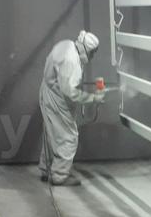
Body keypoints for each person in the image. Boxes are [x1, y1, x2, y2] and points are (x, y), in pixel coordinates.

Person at [39, 31, 104, 186]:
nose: (92, 56)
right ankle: (59, 175)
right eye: (92, 53)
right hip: (57, 97)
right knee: (69, 137)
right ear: (86, 49)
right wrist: (92, 98)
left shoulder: (67, 44)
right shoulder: (72, 61)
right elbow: (71, 93)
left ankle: (46, 169)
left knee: (51, 133)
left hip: (47, 90)